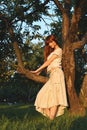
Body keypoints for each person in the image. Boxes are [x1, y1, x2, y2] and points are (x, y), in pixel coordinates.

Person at [31, 35, 68, 120]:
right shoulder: (53, 51)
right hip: (52, 75)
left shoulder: (59, 50)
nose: (50, 44)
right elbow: (48, 64)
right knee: (42, 96)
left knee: (55, 98)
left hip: (57, 73)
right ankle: (51, 120)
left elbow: (48, 62)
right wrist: (40, 71)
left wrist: (37, 70)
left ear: (55, 40)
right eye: (48, 43)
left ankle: (51, 122)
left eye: (51, 42)